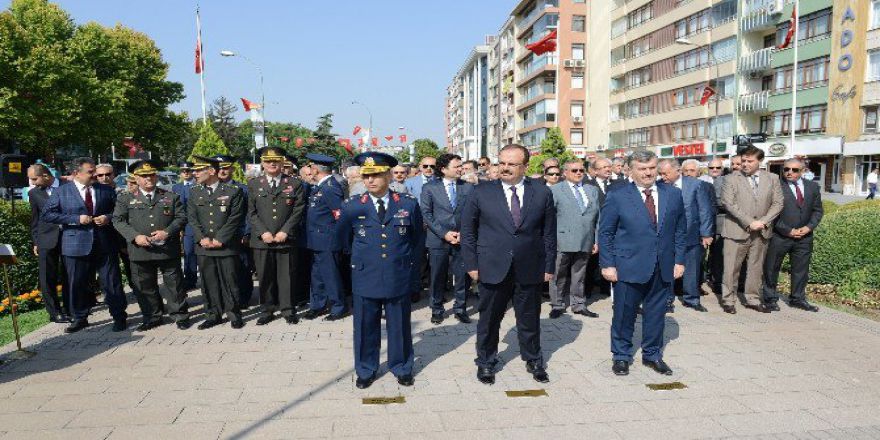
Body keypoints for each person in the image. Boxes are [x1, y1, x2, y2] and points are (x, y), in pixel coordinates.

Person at [461, 144, 556, 385]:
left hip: (530, 266)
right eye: (501, 162)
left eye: (512, 164)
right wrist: (471, 264)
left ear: (525, 166)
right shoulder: (481, 192)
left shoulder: (542, 192)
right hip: (492, 265)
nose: (505, 167)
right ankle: (486, 361)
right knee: (489, 319)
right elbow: (468, 231)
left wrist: (549, 266)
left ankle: (533, 359)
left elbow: (548, 234)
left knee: (529, 318)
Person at [337, 152, 424, 389]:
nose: (370, 180)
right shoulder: (352, 206)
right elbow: (343, 240)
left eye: (375, 175)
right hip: (366, 274)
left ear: (388, 175)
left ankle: (402, 367)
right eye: (366, 176)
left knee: (400, 326)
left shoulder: (407, 203)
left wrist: (411, 272)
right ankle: (366, 369)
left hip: (398, 273)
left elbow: (416, 240)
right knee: (365, 326)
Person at [599, 150, 686, 376]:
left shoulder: (673, 194)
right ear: (631, 170)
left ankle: (652, 354)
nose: (648, 173)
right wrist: (607, 264)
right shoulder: (618, 195)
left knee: (656, 314)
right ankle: (621, 355)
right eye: (642, 168)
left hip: (662, 265)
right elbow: (606, 232)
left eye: (651, 168)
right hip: (628, 265)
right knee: (624, 314)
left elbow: (680, 230)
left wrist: (679, 260)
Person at [42, 157, 128, 333]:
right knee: (77, 283)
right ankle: (80, 318)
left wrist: (108, 217)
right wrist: (75, 219)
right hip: (75, 244)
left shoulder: (105, 190)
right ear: (76, 173)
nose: (95, 174)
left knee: (111, 282)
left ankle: (119, 316)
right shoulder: (62, 192)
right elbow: (47, 214)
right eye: (90, 172)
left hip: (104, 243)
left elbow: (119, 211)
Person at [113, 160, 191, 331]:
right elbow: (118, 220)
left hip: (166, 248)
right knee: (145, 285)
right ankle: (152, 316)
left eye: (151, 175)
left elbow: (181, 217)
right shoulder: (126, 198)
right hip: (140, 249)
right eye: (144, 176)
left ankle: (180, 315)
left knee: (174, 284)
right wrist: (135, 236)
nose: (148, 178)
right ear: (136, 178)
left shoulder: (170, 196)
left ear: (156, 176)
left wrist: (167, 232)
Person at [719, 145, 783, 314]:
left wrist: (763, 221)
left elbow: (778, 203)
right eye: (743, 161)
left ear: (760, 161)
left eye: (750, 161)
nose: (745, 164)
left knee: (756, 267)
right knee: (731, 268)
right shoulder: (731, 179)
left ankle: (753, 299)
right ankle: (728, 300)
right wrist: (749, 222)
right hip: (736, 230)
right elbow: (728, 204)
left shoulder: (772, 178)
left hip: (761, 231)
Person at [248, 147, 307, 325]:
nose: (272, 164)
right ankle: (266, 310)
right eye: (268, 161)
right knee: (265, 277)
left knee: (286, 276)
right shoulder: (254, 184)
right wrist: (263, 232)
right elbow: (251, 212)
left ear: (282, 162)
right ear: (262, 163)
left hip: (285, 239)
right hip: (262, 240)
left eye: (276, 161)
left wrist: (285, 231)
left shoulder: (294, 183)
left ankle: (288, 309)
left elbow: (298, 210)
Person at [188, 156, 246, 329]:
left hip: (226, 245)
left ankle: (234, 314)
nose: (195, 173)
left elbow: (235, 217)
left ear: (212, 171)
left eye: (199, 170)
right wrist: (201, 238)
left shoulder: (233, 191)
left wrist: (220, 238)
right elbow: (192, 218)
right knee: (208, 282)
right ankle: (213, 315)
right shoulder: (194, 191)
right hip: (204, 246)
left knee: (230, 281)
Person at [762, 158, 823, 312]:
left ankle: (797, 299)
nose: (789, 172)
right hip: (780, 236)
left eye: (794, 170)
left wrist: (809, 227)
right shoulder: (775, 187)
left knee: (801, 269)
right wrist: (788, 230)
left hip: (804, 237)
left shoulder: (812, 187)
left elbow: (817, 210)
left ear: (803, 171)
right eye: (786, 169)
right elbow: (770, 213)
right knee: (772, 267)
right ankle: (770, 298)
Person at [421, 153, 474, 324]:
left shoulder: (468, 187)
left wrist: (464, 232)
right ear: (443, 169)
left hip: (461, 238)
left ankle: (460, 308)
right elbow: (426, 214)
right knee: (437, 275)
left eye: (461, 166)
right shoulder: (429, 188)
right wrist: (444, 233)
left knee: (462, 276)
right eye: (456, 166)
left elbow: (472, 212)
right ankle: (436, 309)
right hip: (438, 239)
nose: (460, 169)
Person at [658, 159, 715, 312]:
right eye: (661, 173)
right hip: (667, 236)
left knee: (692, 268)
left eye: (666, 173)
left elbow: (704, 210)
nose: (663, 177)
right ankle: (666, 300)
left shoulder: (696, 185)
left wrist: (706, 233)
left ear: (677, 171)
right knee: (666, 268)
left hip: (691, 234)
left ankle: (691, 299)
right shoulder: (659, 185)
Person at [549, 160, 600, 319]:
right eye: (574, 170)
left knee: (580, 274)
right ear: (565, 173)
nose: (578, 173)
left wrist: (596, 240)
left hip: (586, 239)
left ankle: (578, 304)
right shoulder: (556, 190)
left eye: (581, 170)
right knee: (558, 274)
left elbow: (597, 217)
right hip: (562, 238)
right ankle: (557, 305)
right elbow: (550, 217)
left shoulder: (592, 190)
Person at [302, 153, 348, 321]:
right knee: (318, 275)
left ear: (316, 169)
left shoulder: (330, 187)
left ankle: (339, 306)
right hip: (317, 240)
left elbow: (339, 215)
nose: (309, 171)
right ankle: (318, 305)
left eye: (310, 167)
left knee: (330, 274)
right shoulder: (321, 186)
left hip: (327, 240)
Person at [27, 164, 69, 323]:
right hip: (46, 239)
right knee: (47, 277)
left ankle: (71, 308)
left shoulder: (68, 186)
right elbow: (35, 220)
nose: (32, 183)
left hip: (69, 237)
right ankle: (55, 312)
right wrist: (36, 241)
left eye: (34, 179)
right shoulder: (34, 193)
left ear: (45, 175)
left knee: (70, 274)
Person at [212, 154, 255, 309]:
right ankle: (223, 300)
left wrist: (247, 233)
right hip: (217, 237)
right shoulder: (209, 189)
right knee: (219, 271)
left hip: (238, 235)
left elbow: (250, 213)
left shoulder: (243, 189)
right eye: (219, 168)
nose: (222, 171)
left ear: (232, 169)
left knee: (242, 269)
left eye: (225, 168)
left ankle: (243, 298)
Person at [172, 161, 198, 292]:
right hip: (184, 225)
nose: (186, 173)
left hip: (197, 224)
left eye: (188, 170)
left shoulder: (199, 185)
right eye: (183, 171)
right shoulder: (176, 187)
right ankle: (190, 280)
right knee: (188, 253)